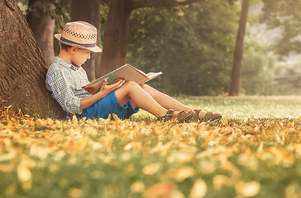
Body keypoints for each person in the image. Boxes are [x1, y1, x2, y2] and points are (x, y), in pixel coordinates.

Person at [45, 21, 221, 122]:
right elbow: (71, 106)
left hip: (95, 106)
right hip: (86, 114)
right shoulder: (57, 71)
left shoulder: (77, 70)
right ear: (74, 49)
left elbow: (86, 93)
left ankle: (191, 112)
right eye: (87, 52)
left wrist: (105, 88)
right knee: (130, 86)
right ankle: (165, 116)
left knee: (141, 86)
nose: (89, 57)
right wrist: (103, 93)